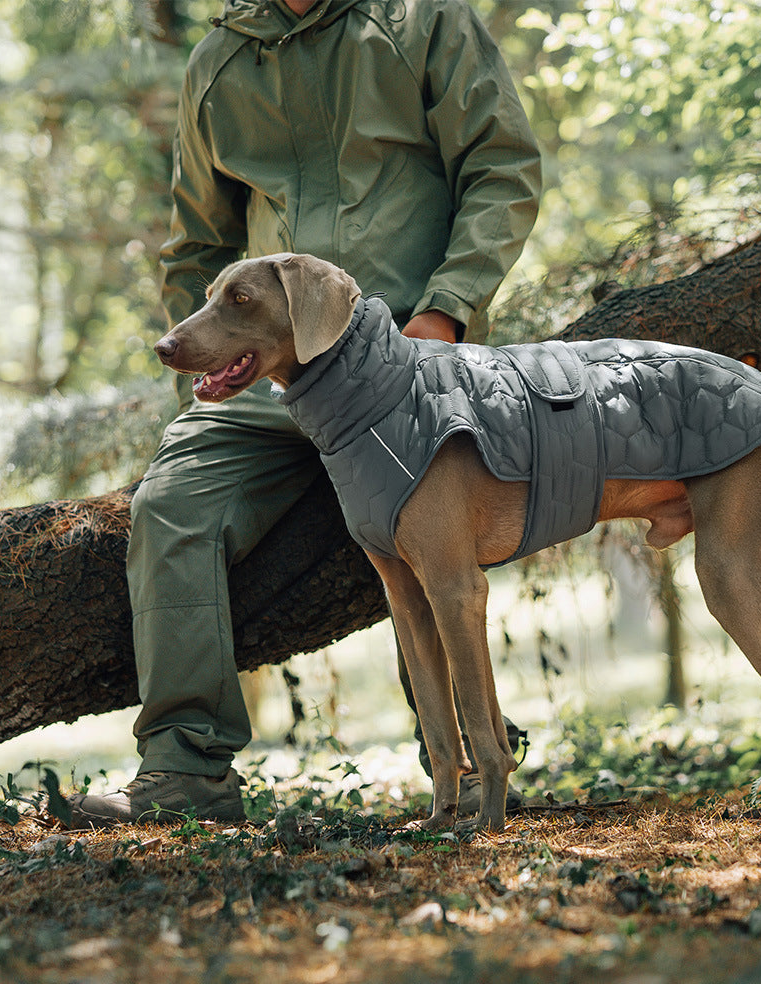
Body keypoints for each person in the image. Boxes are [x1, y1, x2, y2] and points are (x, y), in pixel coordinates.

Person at [66, 0, 542, 827]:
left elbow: (501, 167)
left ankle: (467, 766)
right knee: (170, 508)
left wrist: (447, 310)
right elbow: (195, 244)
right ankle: (184, 772)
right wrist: (218, 360)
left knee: (433, 541)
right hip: (269, 386)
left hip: (403, 368)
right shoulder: (218, 62)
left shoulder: (421, 21)